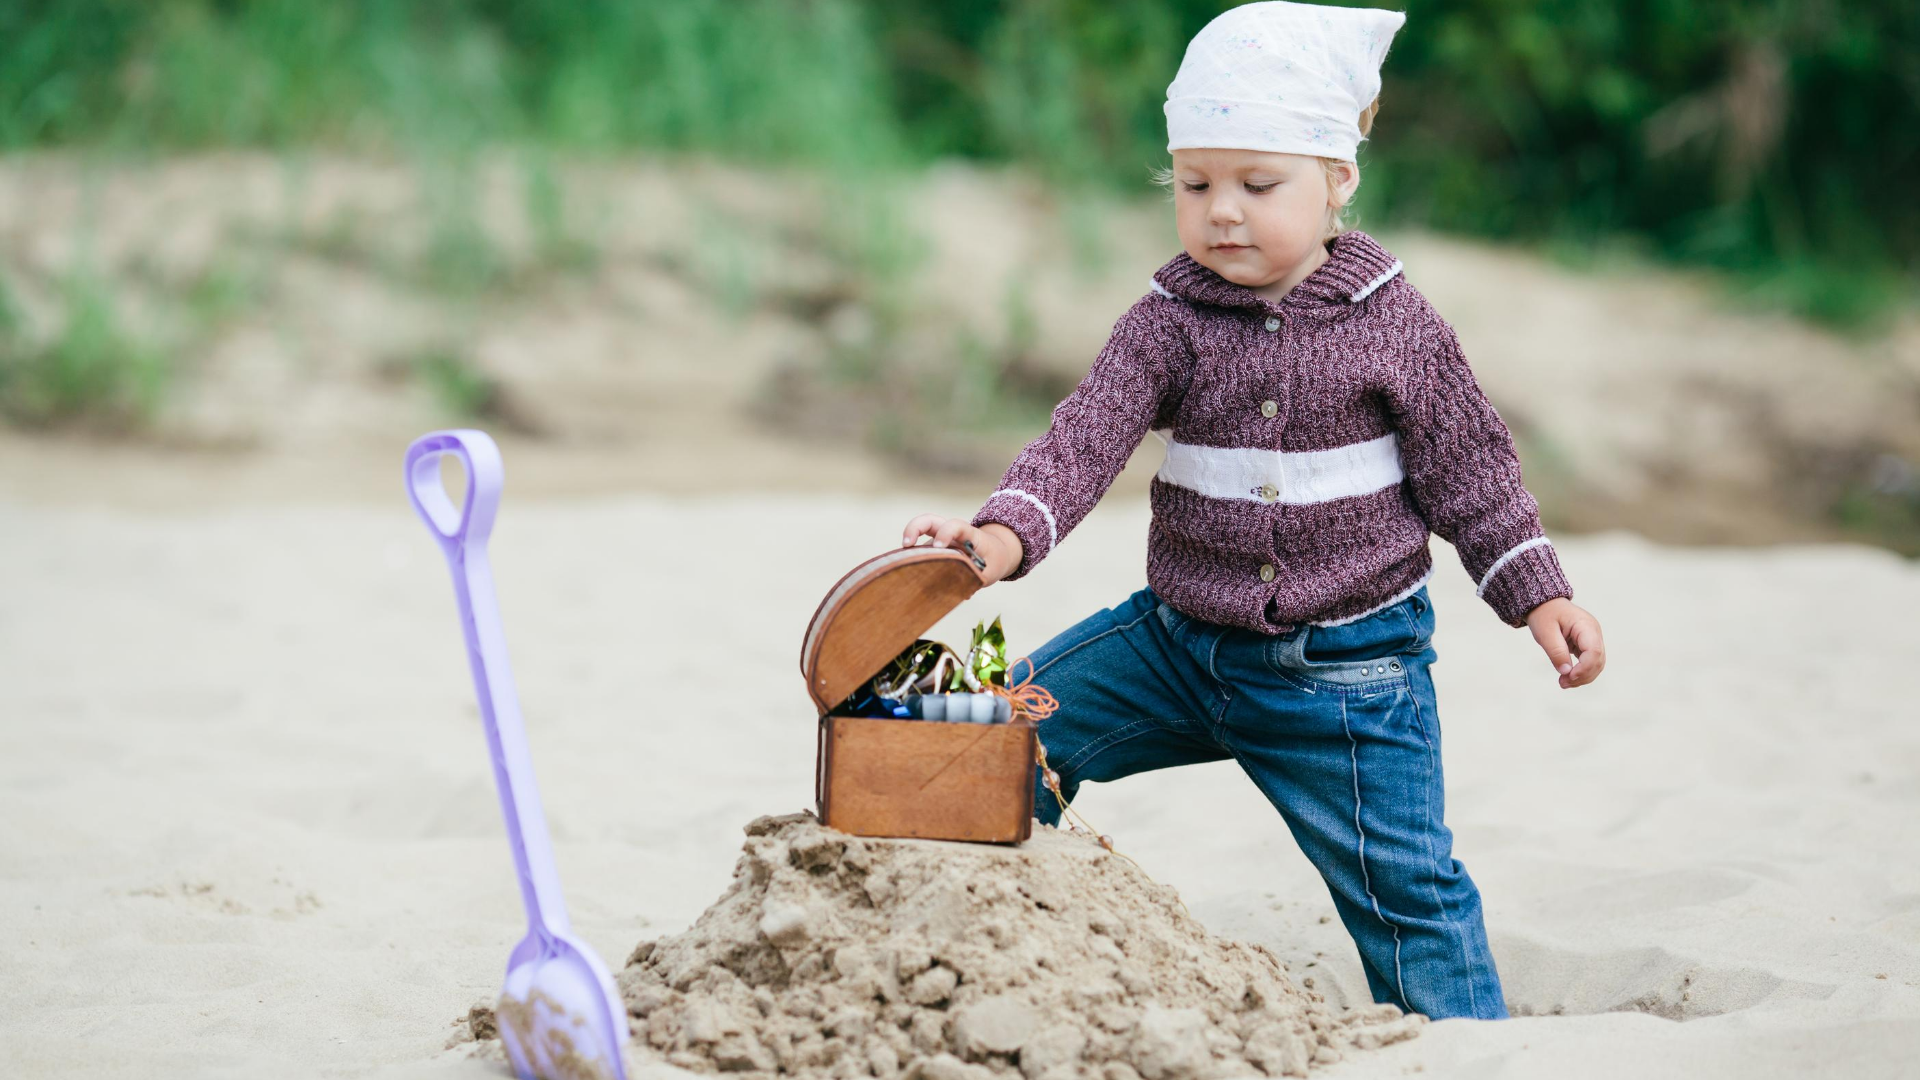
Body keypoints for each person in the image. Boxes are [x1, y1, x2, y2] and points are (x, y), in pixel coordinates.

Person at [899, 1, 1607, 1021]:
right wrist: (999, 536)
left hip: (1349, 677)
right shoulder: (1168, 322)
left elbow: (1473, 472)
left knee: (1408, 889)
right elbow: (1084, 438)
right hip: (1177, 645)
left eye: (1257, 184)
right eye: (1195, 184)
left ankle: (1465, 1046)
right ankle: (991, 944)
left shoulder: (1394, 325)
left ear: (1336, 184)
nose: (1222, 211)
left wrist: (1540, 594)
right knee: (993, 730)